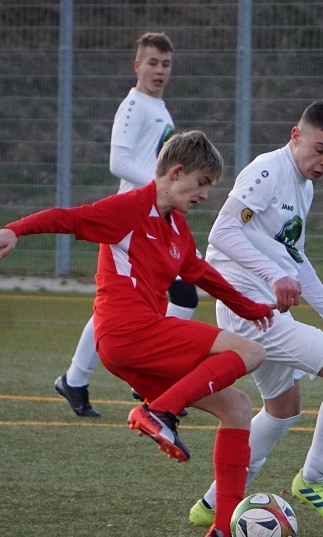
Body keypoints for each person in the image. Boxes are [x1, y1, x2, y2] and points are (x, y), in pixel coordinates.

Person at [0, 130, 276, 537]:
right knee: (250, 351)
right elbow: (69, 217)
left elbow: (200, 274)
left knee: (238, 408)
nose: (205, 195)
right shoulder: (129, 209)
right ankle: (159, 410)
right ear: (176, 172)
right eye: (202, 183)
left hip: (135, 346)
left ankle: (222, 533)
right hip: (127, 330)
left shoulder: (177, 228)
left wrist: (251, 307)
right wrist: (14, 230)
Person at [187, 100, 323, 529]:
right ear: (296, 135)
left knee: (283, 409)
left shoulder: (303, 186)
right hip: (249, 313)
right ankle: (316, 479)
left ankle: (215, 502)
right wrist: (274, 275)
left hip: (264, 310)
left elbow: (295, 257)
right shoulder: (267, 171)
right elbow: (222, 231)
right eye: (320, 149)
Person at [54, 32, 198, 419]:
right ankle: (151, 379)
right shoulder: (133, 107)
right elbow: (118, 163)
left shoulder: (158, 107)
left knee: (139, 301)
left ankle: (76, 379)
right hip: (132, 219)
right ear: (137, 66)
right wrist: (160, 189)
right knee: (183, 293)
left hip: (153, 217)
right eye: (152, 62)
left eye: (166, 64)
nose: (159, 70)